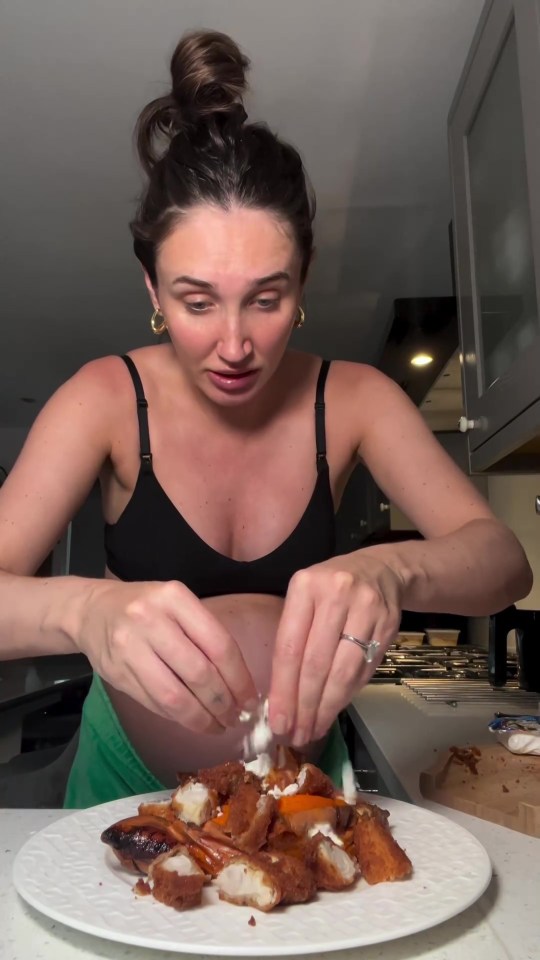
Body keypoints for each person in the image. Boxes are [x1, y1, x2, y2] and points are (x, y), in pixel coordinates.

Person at [0, 30, 532, 808]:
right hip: (125, 791)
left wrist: (391, 569)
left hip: (306, 790)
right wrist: (85, 611)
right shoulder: (103, 399)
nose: (236, 345)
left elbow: (504, 565)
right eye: (196, 302)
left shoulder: (353, 400)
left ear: (304, 277)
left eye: (267, 296)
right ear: (152, 291)